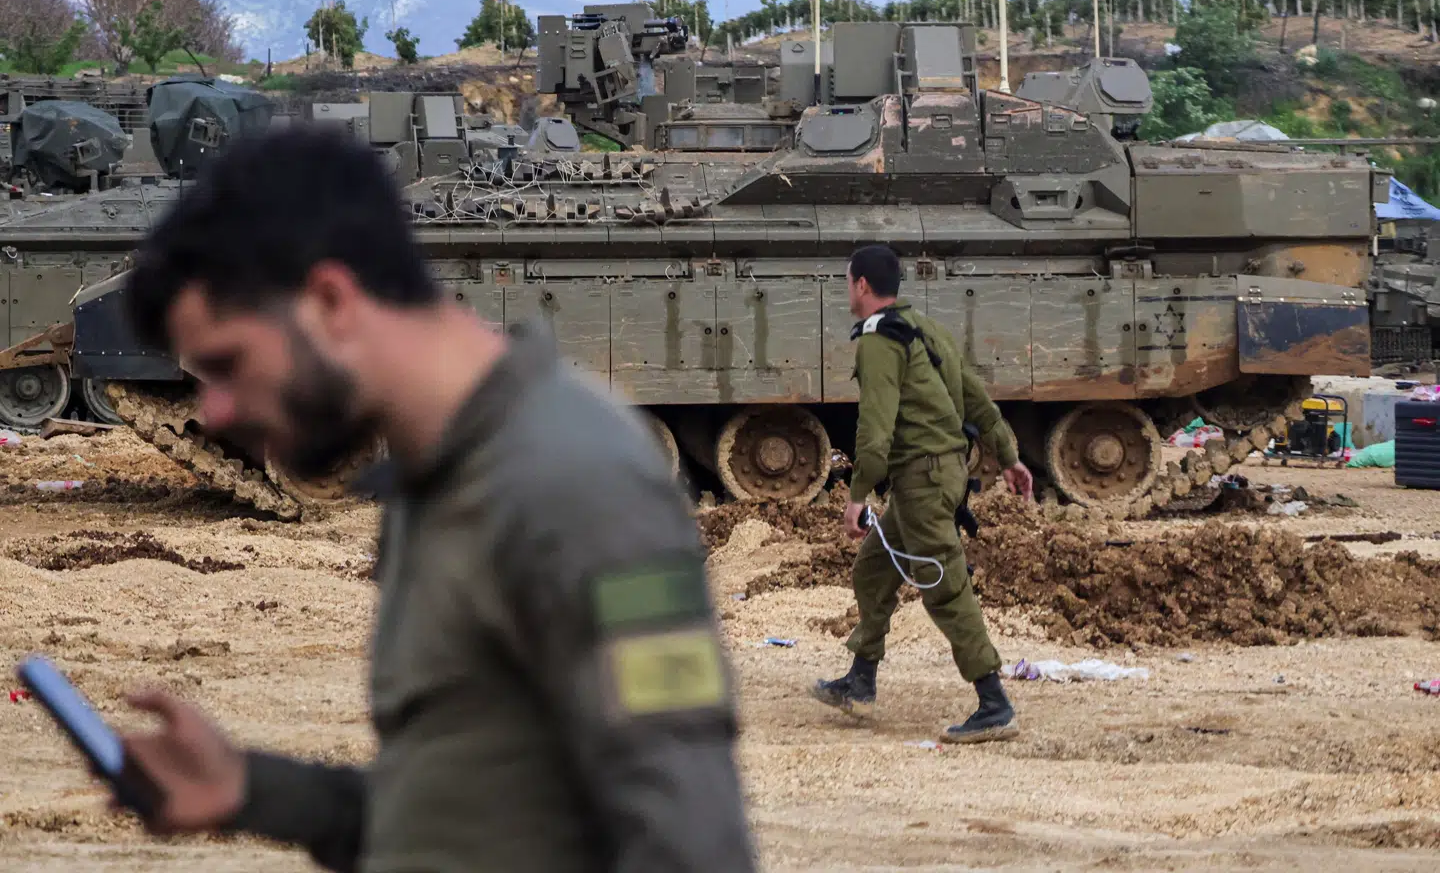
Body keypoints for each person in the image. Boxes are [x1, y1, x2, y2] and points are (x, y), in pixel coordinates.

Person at [112, 124, 757, 872]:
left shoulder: (573, 482)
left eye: (228, 363)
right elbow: (467, 818)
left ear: (330, 300)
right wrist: (254, 790)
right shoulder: (444, 478)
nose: (215, 410)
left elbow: (692, 845)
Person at [812, 243, 1034, 744]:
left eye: (849, 282)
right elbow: (974, 395)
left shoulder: (878, 342)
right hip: (938, 474)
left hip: (922, 479)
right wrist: (1010, 455)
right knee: (873, 569)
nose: (848, 290)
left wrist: (856, 495)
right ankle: (860, 679)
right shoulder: (924, 328)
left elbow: (875, 429)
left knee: (946, 586)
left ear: (861, 286)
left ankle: (994, 702)